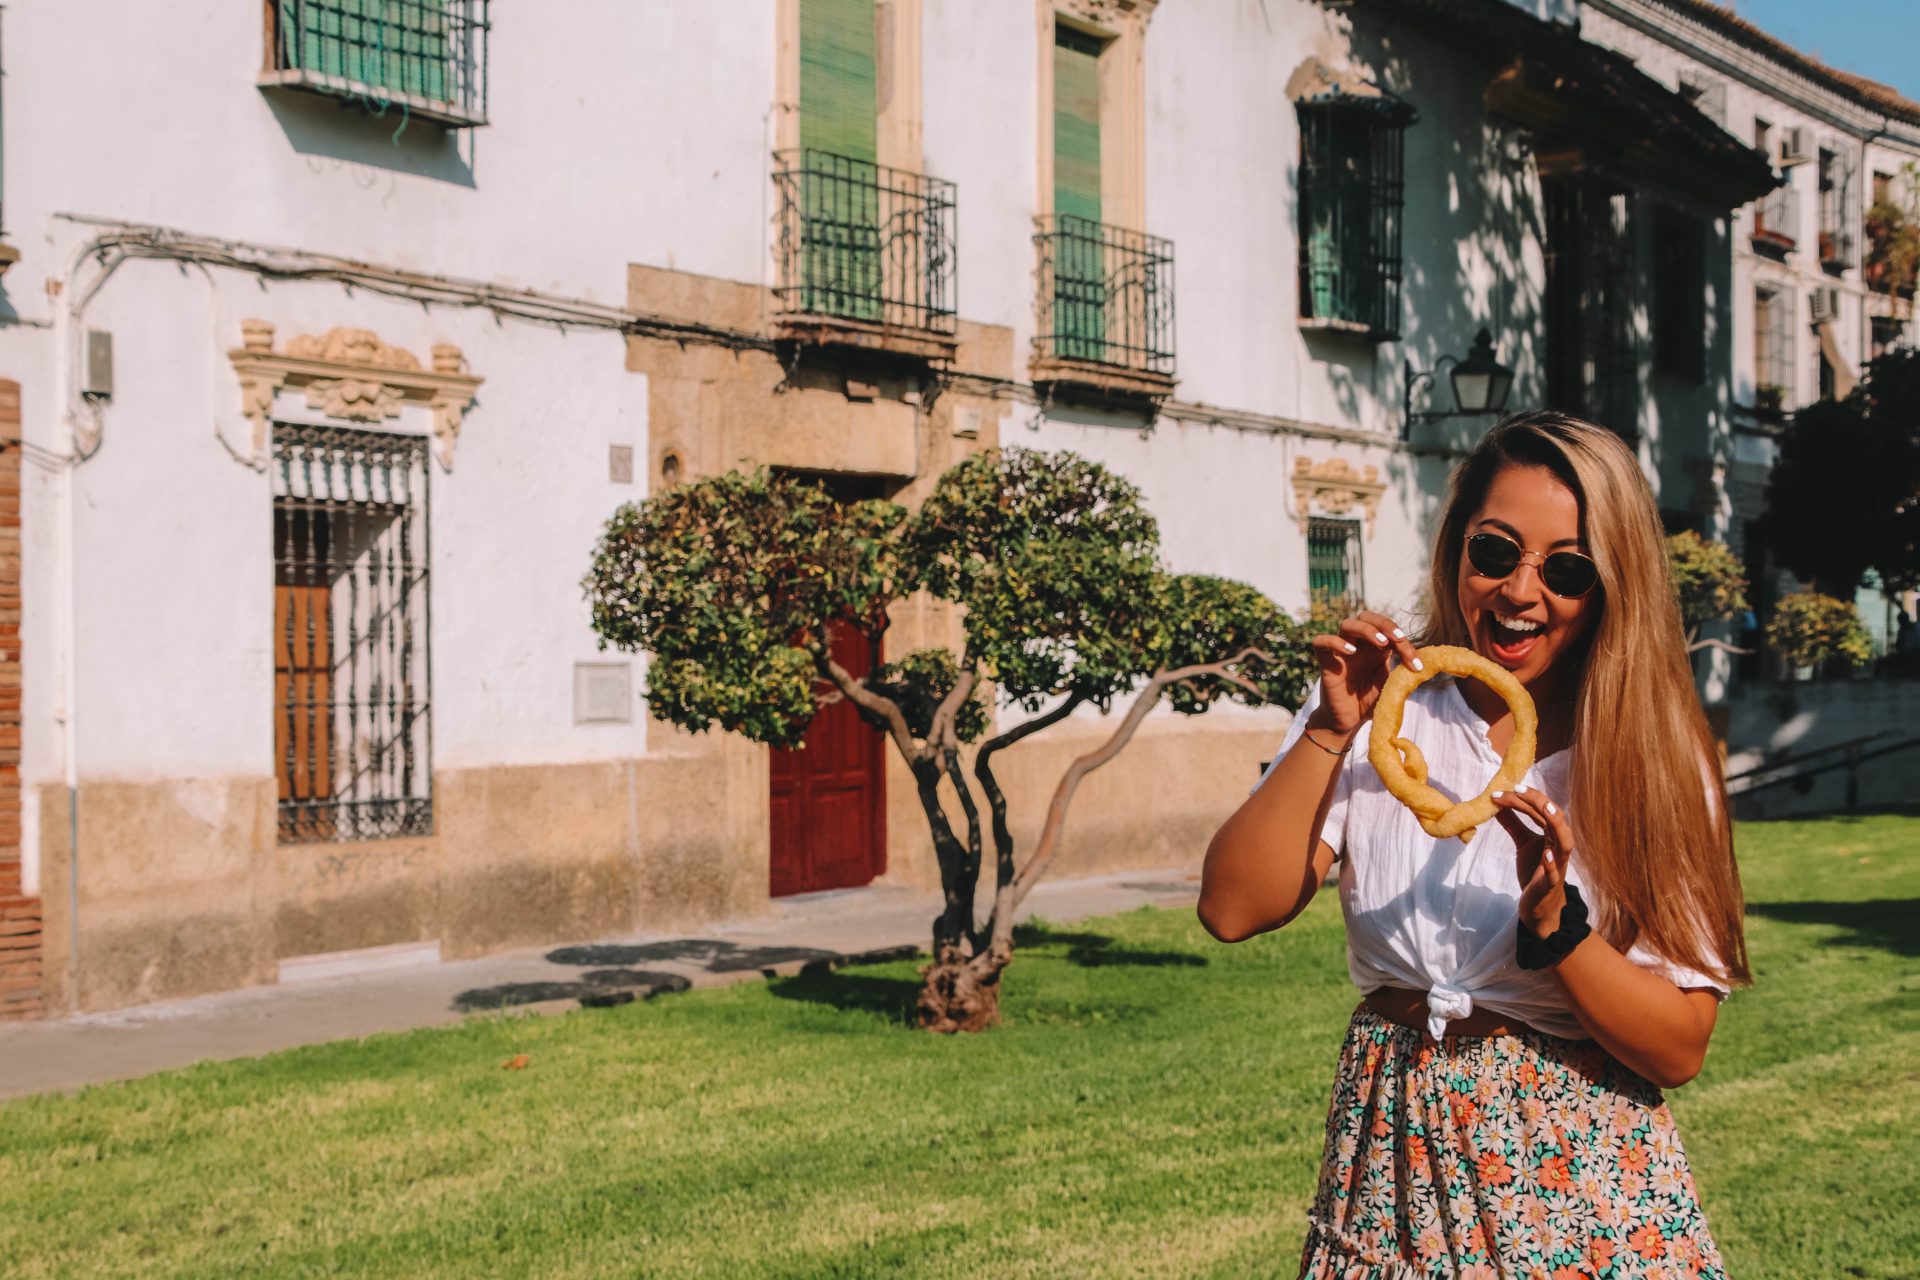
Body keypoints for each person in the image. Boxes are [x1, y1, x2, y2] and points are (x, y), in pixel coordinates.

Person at [1199, 412, 1750, 1279]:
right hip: (1390, 1149)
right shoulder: (1386, 710)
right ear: (1458, 548)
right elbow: (1232, 908)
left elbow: (1679, 1046)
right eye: (1495, 553)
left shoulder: (1656, 757)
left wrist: (1557, 927)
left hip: (1570, 1167)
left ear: (1612, 585)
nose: (1521, 592)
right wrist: (1331, 731)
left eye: (1565, 570)